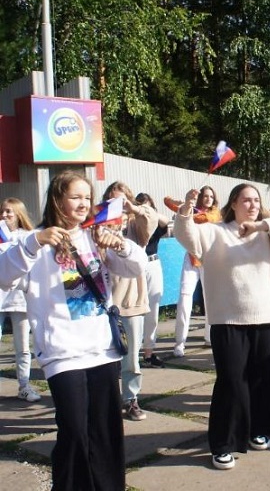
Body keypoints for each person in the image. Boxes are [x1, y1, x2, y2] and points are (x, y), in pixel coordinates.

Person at [0, 170, 146, 489]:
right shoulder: (33, 240)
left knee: (105, 431)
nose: (83, 204)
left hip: (103, 349)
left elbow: (138, 267)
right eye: (75, 197)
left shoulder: (95, 235)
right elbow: (3, 274)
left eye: (87, 198)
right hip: (62, 354)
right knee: (75, 431)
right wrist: (33, 243)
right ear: (58, 199)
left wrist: (120, 245)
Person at [174, 183, 270, 470]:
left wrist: (259, 227)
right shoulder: (216, 231)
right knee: (232, 382)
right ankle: (222, 444)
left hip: (266, 317)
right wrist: (185, 211)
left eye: (256, 200)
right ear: (233, 203)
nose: (253, 205)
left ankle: (257, 429)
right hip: (227, 320)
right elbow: (186, 235)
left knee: (262, 380)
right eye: (246, 200)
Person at [103, 182, 159, 421]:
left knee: (131, 356)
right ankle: (105, 400)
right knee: (104, 357)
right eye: (111, 201)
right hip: (104, 301)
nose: (117, 206)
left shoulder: (136, 226)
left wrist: (133, 209)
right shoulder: (100, 226)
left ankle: (130, 399)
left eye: (121, 201)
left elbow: (153, 219)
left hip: (131, 300)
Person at [169, 185, 221, 357]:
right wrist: (186, 203)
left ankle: (209, 336)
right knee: (184, 298)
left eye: (210, 196)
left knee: (210, 299)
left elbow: (205, 217)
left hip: (208, 258)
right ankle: (179, 343)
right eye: (205, 196)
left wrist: (186, 208)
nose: (208, 199)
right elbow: (166, 201)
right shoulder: (191, 208)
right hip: (191, 258)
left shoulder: (215, 213)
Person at [0, 198, 42, 402]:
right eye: (2, 212)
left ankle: (24, 386)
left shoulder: (28, 237)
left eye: (9, 212)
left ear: (18, 213)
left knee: (23, 346)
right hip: (0, 297)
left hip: (20, 299)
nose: (5, 215)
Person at [134, 193, 170, 369]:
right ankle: (131, 356)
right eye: (142, 206)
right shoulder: (132, 224)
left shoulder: (156, 223)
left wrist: (150, 212)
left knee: (153, 310)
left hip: (153, 264)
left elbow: (167, 223)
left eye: (148, 206)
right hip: (135, 267)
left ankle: (149, 353)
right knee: (134, 311)